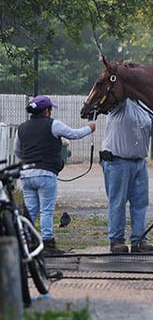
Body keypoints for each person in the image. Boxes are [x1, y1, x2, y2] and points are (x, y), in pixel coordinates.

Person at [14, 95, 96, 256]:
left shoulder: (21, 128)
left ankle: (28, 243)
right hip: (46, 174)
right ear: (46, 110)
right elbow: (74, 134)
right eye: (50, 109)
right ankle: (48, 244)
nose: (51, 112)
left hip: (26, 174)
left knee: (30, 210)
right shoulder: (54, 125)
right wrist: (90, 128)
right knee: (46, 210)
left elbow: (18, 151)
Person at [101, 98, 153, 254]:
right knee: (118, 201)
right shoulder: (119, 103)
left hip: (139, 162)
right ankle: (116, 241)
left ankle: (140, 239)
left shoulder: (144, 107)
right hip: (117, 161)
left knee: (141, 202)